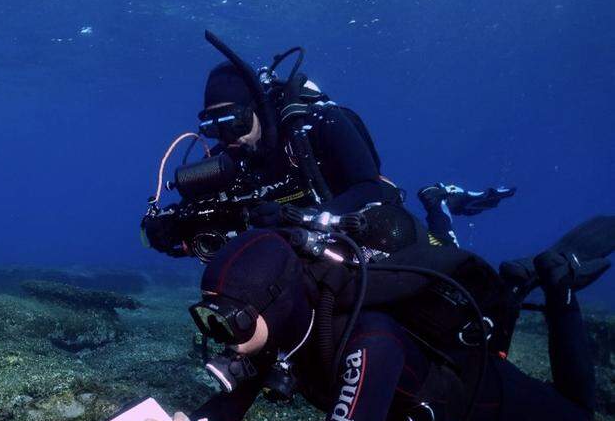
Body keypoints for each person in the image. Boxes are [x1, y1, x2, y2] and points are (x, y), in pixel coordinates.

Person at [131, 224, 610, 421]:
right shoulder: (284, 326)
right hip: (392, 405)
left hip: (473, 396)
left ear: (273, 306)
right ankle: (512, 286)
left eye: (230, 320)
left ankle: (559, 287)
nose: (219, 334)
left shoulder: (369, 345)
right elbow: (234, 400)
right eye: (210, 316)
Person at [141, 33, 514, 259]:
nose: (229, 139)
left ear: (258, 108)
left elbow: (370, 185)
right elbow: (218, 215)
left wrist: (304, 218)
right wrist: (170, 230)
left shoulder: (319, 124)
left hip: (367, 226)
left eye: (235, 123)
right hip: (310, 244)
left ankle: (438, 201)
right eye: (214, 128)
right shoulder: (234, 156)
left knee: (445, 260)